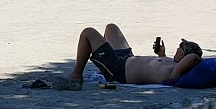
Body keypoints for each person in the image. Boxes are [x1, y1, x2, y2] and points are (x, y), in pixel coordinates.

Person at [68, 24, 203, 85]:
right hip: (127, 58)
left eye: (181, 48)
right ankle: (103, 67)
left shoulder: (176, 72)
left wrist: (193, 54)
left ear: (185, 56)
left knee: (88, 32)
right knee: (111, 28)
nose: (178, 48)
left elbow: (194, 58)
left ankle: (76, 75)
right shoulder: (174, 64)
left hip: (118, 70)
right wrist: (161, 54)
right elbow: (158, 68)